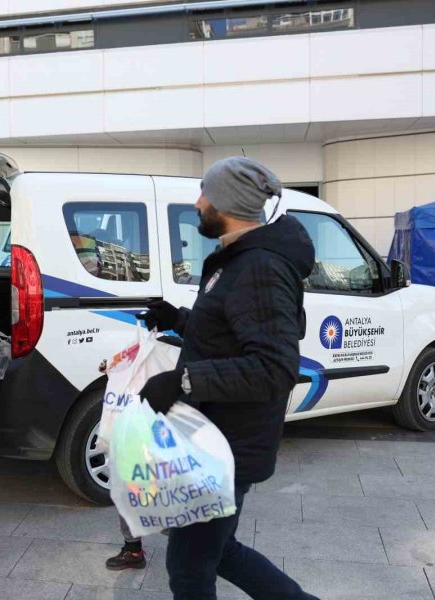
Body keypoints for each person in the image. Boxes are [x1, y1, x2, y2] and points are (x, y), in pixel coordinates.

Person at [136, 157, 319, 600]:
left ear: (228, 203)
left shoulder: (258, 267)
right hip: (213, 436)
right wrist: (180, 320)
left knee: (189, 567)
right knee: (216, 551)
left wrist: (182, 383)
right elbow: (233, 331)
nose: (198, 202)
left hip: (227, 444)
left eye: (206, 194)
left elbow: (275, 367)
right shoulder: (235, 259)